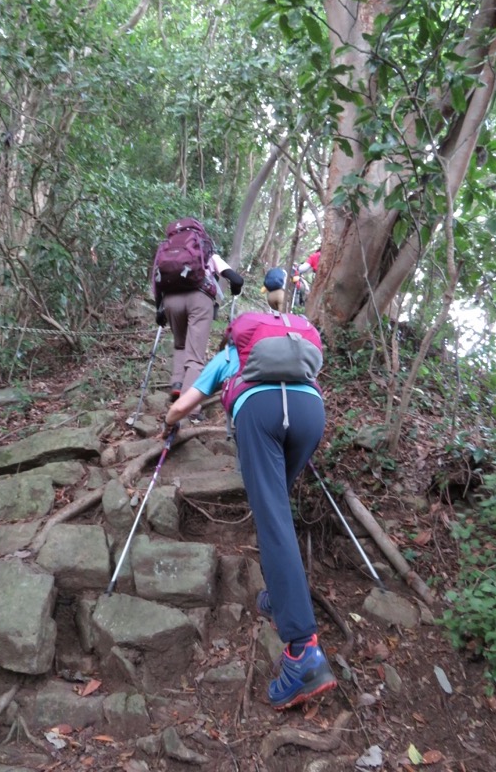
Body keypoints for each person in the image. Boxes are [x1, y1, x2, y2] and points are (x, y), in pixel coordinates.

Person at [161, 299, 337, 710]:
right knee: (277, 513)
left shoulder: (228, 355)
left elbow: (185, 404)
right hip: (310, 411)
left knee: (272, 519)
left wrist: (167, 423)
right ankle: (281, 595)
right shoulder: (296, 344)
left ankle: (302, 653)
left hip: (260, 412)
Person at [154, 221, 243, 419]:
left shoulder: (166, 250)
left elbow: (157, 280)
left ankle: (177, 384)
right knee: (195, 355)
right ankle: (189, 408)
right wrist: (235, 289)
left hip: (169, 301)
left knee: (180, 344)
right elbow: (236, 279)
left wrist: (159, 309)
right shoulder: (206, 252)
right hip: (199, 299)